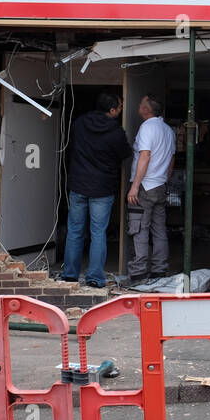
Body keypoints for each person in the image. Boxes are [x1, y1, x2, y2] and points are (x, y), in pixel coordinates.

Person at [61, 93, 131, 288]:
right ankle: (94, 278)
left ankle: (69, 275)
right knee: (98, 232)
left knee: (75, 230)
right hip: (102, 187)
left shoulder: (79, 123)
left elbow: (72, 146)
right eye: (120, 107)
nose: (121, 110)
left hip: (78, 185)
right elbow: (125, 153)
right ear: (112, 110)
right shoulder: (115, 132)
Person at [126, 94, 176, 284]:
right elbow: (172, 159)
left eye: (140, 104)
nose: (138, 106)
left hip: (145, 186)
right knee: (159, 230)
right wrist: (164, 179)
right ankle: (159, 271)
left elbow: (144, 156)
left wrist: (135, 186)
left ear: (147, 110)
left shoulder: (147, 127)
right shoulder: (168, 130)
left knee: (139, 229)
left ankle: (138, 273)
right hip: (160, 186)